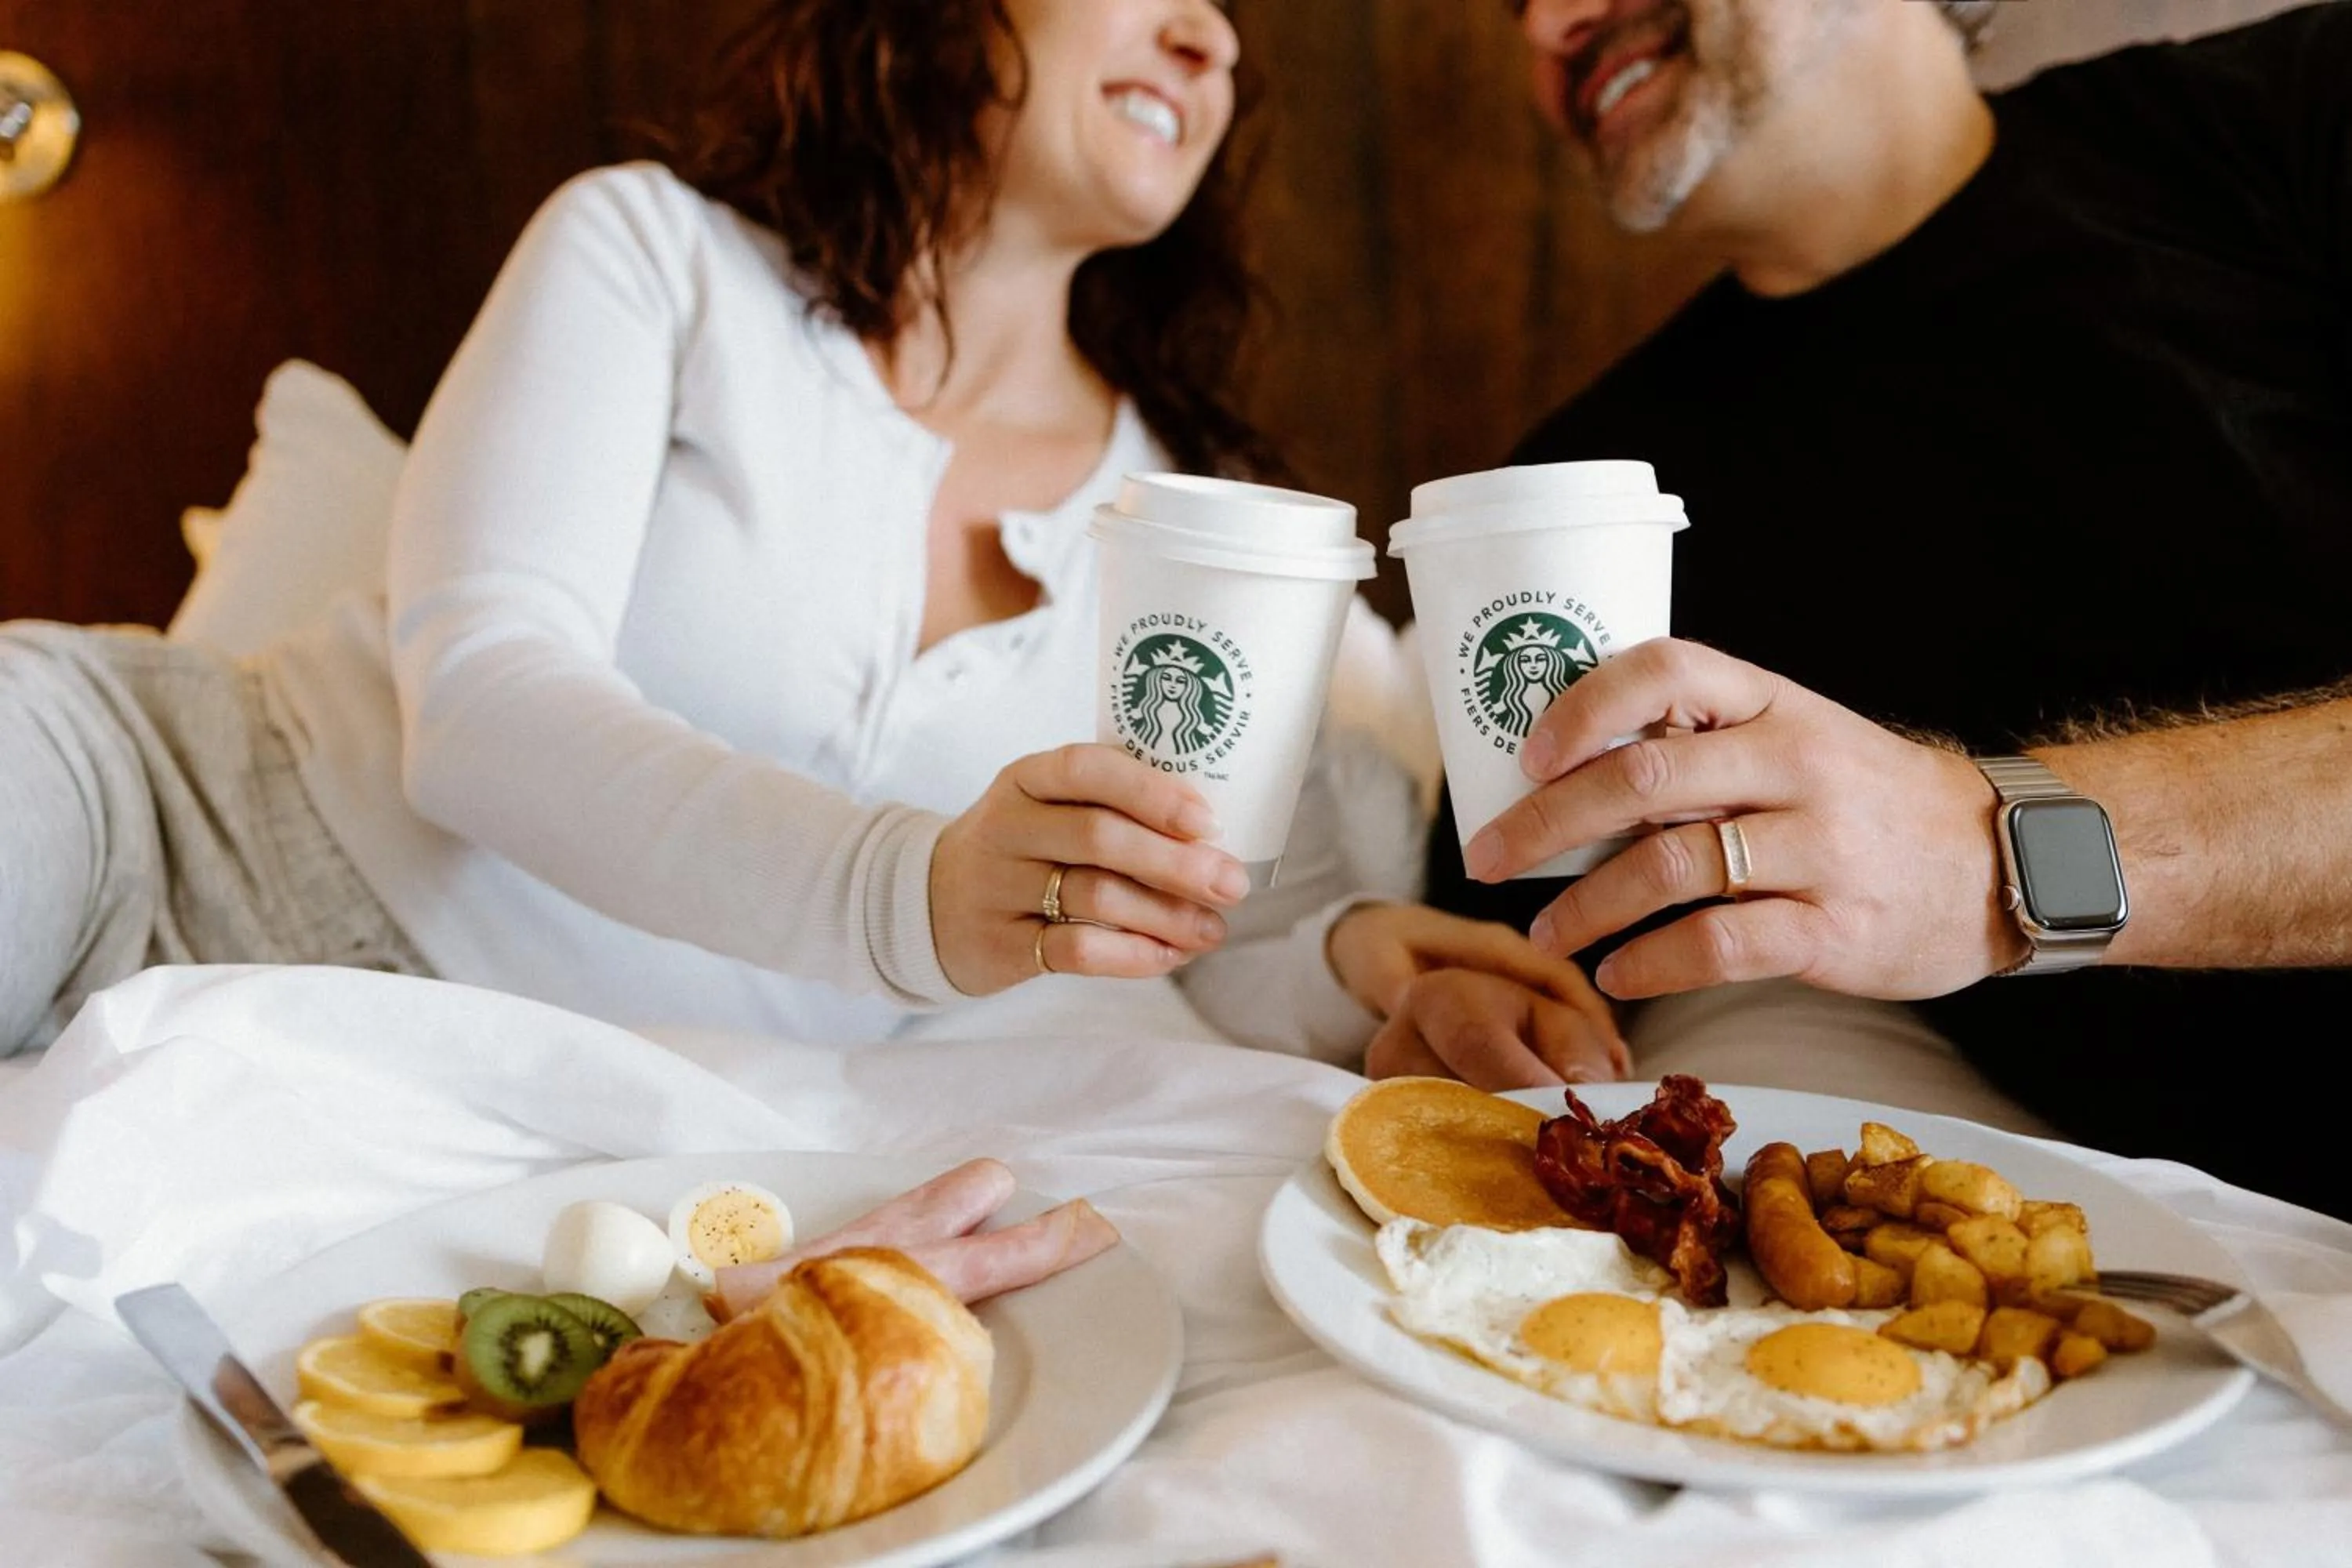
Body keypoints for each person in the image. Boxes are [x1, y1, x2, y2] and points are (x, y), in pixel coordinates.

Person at [0, 0, 1624, 1092]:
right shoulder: (654, 252)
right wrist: (911, 887)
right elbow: (481, 697)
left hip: (540, 1113)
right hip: (187, 826)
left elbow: (1189, 962)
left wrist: (1359, 973)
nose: (1208, 36)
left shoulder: (1194, 535)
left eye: (1227, 22)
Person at [1425, 0, 2352, 1215]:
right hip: (2172, 1312)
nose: (1550, 25)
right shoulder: (1594, 495)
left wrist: (1987, 852)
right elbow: (1500, 963)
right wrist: (1461, 1008)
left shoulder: (2297, 113)